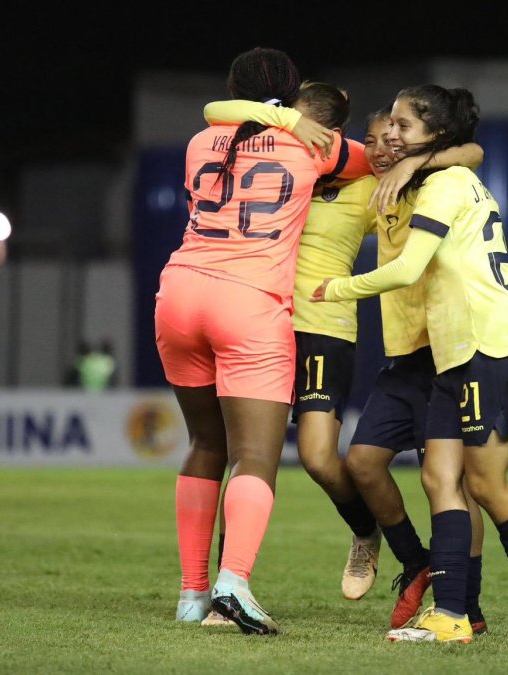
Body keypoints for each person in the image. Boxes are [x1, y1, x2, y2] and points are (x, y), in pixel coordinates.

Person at [202, 92, 490, 631]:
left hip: (324, 327)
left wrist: (409, 160)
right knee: (245, 458)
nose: (383, 148)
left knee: (317, 457)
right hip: (259, 323)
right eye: (377, 140)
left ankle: (367, 532)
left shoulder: (368, 180)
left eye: (393, 138)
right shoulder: (287, 165)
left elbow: (470, 152)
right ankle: (228, 588)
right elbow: (218, 112)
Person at [314, 84, 508, 643]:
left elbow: (409, 269)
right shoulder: (437, 174)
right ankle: (472, 610)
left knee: (481, 483)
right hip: (464, 348)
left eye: (404, 125)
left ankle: (491, 606)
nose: (391, 134)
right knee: (446, 478)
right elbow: (466, 152)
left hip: (488, 342)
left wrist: (335, 288)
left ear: (434, 134)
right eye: (387, 127)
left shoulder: (442, 182)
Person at [155, 47, 367, 636]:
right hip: (248, 303)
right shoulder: (314, 146)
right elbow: (375, 161)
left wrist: (274, 116)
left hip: (179, 293)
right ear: (297, 97)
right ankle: (233, 585)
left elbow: (221, 113)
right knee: (256, 458)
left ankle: (191, 593)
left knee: (204, 443)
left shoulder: (202, 141)